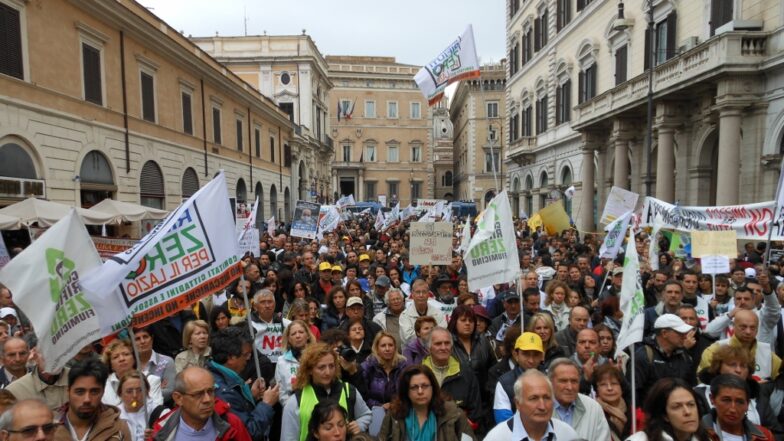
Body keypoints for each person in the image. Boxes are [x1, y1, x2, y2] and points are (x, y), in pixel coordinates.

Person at [280, 342, 372, 441]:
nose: (328, 372)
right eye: (321, 367)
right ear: (310, 370)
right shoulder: (296, 401)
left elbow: (366, 414)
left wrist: (359, 424)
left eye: (331, 366)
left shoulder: (348, 390)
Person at [207, 326, 280, 440]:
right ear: (230, 357)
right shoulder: (223, 392)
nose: (248, 358)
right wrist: (266, 404)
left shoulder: (222, 375)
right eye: (245, 354)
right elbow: (248, 432)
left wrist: (251, 396)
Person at [150, 366, 252, 441]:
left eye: (210, 391)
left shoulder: (232, 424)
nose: (207, 399)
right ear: (178, 398)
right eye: (198, 394)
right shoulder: (160, 432)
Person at [377, 365, 477, 441]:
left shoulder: (454, 414)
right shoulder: (395, 414)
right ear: (406, 391)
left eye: (425, 386)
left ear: (433, 387)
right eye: (414, 387)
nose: (420, 391)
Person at [484, 369, 578, 441]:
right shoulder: (497, 438)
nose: (542, 406)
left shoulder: (567, 435)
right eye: (534, 398)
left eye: (546, 398)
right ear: (518, 403)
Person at [420, 327, 482, 426]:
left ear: (451, 347)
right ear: (429, 348)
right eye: (438, 344)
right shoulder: (418, 374)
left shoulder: (466, 373)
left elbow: (475, 412)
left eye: (447, 343)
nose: (443, 347)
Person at [698, 309, 781, 382]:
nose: (748, 332)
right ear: (733, 326)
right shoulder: (714, 351)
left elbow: (779, 387)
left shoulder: (769, 355)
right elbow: (704, 383)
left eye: (752, 328)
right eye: (743, 327)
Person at [60, 359, 132, 441]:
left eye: (94, 392)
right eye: (80, 392)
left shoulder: (119, 429)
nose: (87, 399)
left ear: (103, 391)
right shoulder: (49, 428)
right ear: (68, 391)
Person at [632, 314, 696, 404]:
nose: (684, 336)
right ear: (664, 333)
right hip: (651, 415)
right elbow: (633, 392)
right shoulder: (644, 356)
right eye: (680, 332)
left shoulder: (684, 356)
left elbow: (691, 387)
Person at [625, 377, 709, 441]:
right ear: (664, 415)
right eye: (677, 407)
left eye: (691, 404)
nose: (687, 412)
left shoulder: (707, 438)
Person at [548, 358, 611, 440]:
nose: (569, 387)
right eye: (563, 381)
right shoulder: (540, 407)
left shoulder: (593, 408)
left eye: (574, 381)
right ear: (550, 382)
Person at [701, 375, 775, 441]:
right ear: (712, 399)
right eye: (726, 400)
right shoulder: (698, 432)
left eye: (740, 402)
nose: (733, 409)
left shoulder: (765, 436)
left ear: (747, 404)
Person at [493, 332, 545, 423]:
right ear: (516, 355)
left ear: (542, 356)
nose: (531, 360)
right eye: (526, 354)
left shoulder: (550, 380)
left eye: (536, 354)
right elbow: (504, 423)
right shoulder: (504, 384)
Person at [447, 305, 494, 402]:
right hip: (456, 400)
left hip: (484, 399)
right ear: (455, 322)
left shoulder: (483, 341)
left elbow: (493, 368)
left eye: (471, 321)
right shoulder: (447, 343)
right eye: (463, 320)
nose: (468, 323)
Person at [5, 348, 69, 419]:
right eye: (47, 355)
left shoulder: (78, 378)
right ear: (35, 357)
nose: (52, 361)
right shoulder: (15, 390)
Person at [101, 339, 164, 409]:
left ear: (134, 358)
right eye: (115, 357)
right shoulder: (103, 386)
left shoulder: (150, 380)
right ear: (110, 365)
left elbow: (156, 410)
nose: (121, 359)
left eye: (126, 354)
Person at [359, 331, 409, 409]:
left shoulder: (403, 366)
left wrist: (395, 405)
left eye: (390, 345)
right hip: (374, 411)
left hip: (400, 409)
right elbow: (362, 396)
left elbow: (408, 392)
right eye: (383, 346)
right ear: (377, 348)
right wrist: (380, 406)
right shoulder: (368, 366)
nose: (387, 349)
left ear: (395, 347)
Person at [276, 320, 317, 406]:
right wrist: (291, 406)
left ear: (308, 336)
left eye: (301, 332)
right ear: (289, 339)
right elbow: (281, 391)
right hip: (292, 408)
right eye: (293, 334)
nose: (297, 336)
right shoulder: (281, 361)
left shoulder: (318, 357)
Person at [133, 327, 176, 403]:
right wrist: (156, 389)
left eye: (145, 337)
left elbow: (170, 391)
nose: (142, 341)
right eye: (137, 339)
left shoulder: (167, 361)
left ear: (152, 339)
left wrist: (139, 395)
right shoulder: (131, 365)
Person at [593, 363, 634, 441]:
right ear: (596, 390)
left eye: (614, 383)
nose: (609, 388)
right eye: (603, 384)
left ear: (621, 387)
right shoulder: (593, 414)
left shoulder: (635, 413)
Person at [399, 280, 447, 344]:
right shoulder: (404, 315)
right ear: (412, 294)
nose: (421, 295)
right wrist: (432, 335)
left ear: (428, 294)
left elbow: (442, 334)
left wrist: (423, 334)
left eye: (424, 292)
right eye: (418, 292)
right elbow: (408, 338)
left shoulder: (438, 313)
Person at [116, 371, 159, 441]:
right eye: (129, 391)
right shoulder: (114, 416)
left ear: (147, 391)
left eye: (140, 390)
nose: (135, 395)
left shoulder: (160, 413)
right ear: (120, 393)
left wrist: (158, 437)